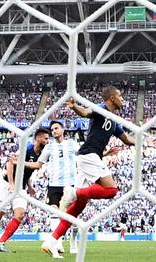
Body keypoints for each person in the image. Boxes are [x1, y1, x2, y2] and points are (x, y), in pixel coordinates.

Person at [41, 86, 135, 259]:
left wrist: (143, 140)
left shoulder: (114, 120)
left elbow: (127, 139)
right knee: (111, 190)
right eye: (120, 96)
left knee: (78, 207)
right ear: (112, 98)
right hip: (89, 155)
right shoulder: (102, 109)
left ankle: (52, 241)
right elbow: (85, 113)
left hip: (88, 158)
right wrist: (74, 106)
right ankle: (73, 192)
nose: (123, 99)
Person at [38, 120, 80, 254]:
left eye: (56, 128)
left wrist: (105, 153)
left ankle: (73, 242)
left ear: (63, 130)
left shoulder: (72, 144)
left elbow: (85, 154)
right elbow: (39, 164)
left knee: (72, 216)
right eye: (52, 129)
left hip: (70, 184)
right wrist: (22, 162)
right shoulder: (49, 147)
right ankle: (58, 243)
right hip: (54, 185)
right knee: (56, 213)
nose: (54, 131)